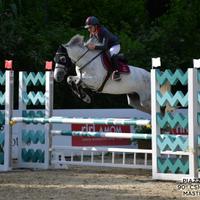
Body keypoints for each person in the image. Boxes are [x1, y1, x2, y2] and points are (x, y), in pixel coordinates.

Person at [84, 16, 121, 81]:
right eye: (88, 28)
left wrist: (94, 47)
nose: (88, 29)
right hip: (106, 46)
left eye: (90, 27)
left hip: (114, 46)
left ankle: (117, 73)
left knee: (111, 54)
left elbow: (104, 47)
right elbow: (89, 42)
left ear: (95, 26)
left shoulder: (103, 31)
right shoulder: (93, 32)